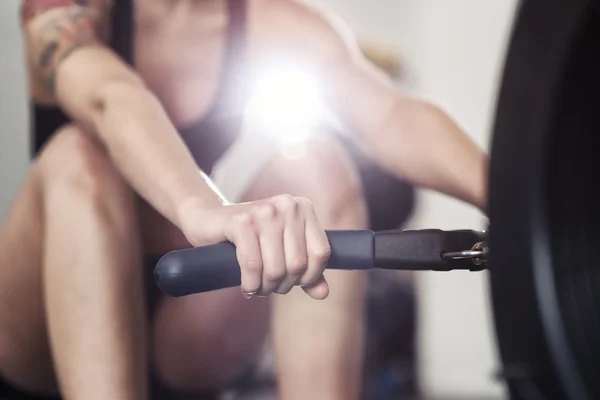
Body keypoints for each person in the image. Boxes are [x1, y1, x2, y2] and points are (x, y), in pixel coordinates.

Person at [0, 1, 487, 400]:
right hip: (51, 313)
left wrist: (508, 203)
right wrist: (202, 208)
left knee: (316, 165)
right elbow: (110, 96)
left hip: (185, 316)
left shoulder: (264, 21)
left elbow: (390, 116)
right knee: (79, 156)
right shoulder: (69, 12)